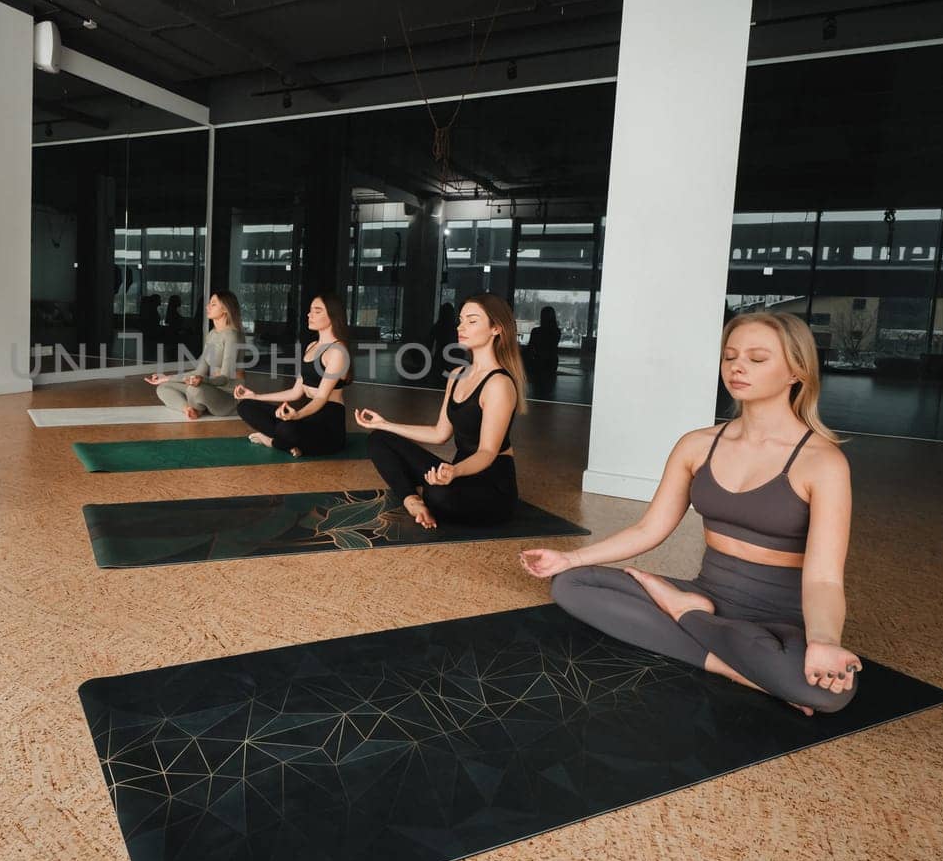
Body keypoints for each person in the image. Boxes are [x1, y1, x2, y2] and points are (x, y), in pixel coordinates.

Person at [520, 311, 860, 716]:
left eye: (757, 358)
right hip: (708, 593)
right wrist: (570, 558)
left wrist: (823, 639)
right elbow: (650, 528)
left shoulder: (823, 462)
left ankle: (684, 616)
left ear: (796, 372)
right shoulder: (697, 445)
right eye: (730, 356)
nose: (737, 367)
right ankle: (735, 666)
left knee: (829, 694)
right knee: (571, 585)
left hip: (781, 620)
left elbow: (823, 579)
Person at [358, 293, 525, 528]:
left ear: (496, 328)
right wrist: (384, 424)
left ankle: (429, 495)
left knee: (437, 494)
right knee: (379, 440)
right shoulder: (457, 375)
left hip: (492, 483)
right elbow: (439, 433)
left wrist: (453, 472)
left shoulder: (499, 384)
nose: (461, 326)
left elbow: (487, 452)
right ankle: (412, 501)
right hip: (456, 472)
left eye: (472, 321)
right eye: (461, 320)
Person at [233, 293, 352, 457]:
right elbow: (296, 392)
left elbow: (321, 397)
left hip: (328, 425)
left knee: (287, 429)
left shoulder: (338, 351)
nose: (309, 315)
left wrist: (297, 415)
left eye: (317, 311)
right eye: (310, 310)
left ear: (333, 316)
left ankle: (274, 441)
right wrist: (256, 396)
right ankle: (288, 444)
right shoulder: (311, 346)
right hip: (307, 417)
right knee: (246, 406)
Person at [145, 291, 243, 419]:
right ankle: (189, 409)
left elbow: (224, 379)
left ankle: (198, 405)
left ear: (225, 309)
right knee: (163, 388)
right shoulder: (212, 334)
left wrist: (202, 380)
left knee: (194, 390)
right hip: (210, 390)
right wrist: (167, 378)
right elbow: (200, 371)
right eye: (209, 303)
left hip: (229, 397)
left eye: (213, 304)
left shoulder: (232, 336)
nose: (207, 307)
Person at [523, 305, 562, 381]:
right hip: (552, 362)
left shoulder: (536, 331)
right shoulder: (557, 331)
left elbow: (530, 348)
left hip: (538, 362)